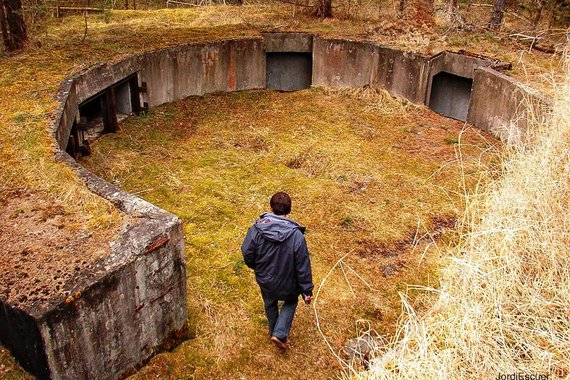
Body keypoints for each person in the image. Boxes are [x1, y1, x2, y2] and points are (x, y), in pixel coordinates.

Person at [241, 192, 314, 350]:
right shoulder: (297, 236)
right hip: (288, 283)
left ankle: (274, 332)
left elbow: (247, 252)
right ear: (289, 211)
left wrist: (256, 267)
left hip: (265, 279)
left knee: (270, 303)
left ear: (271, 208)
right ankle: (279, 334)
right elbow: (303, 266)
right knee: (291, 301)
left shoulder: (256, 229)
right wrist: (306, 290)